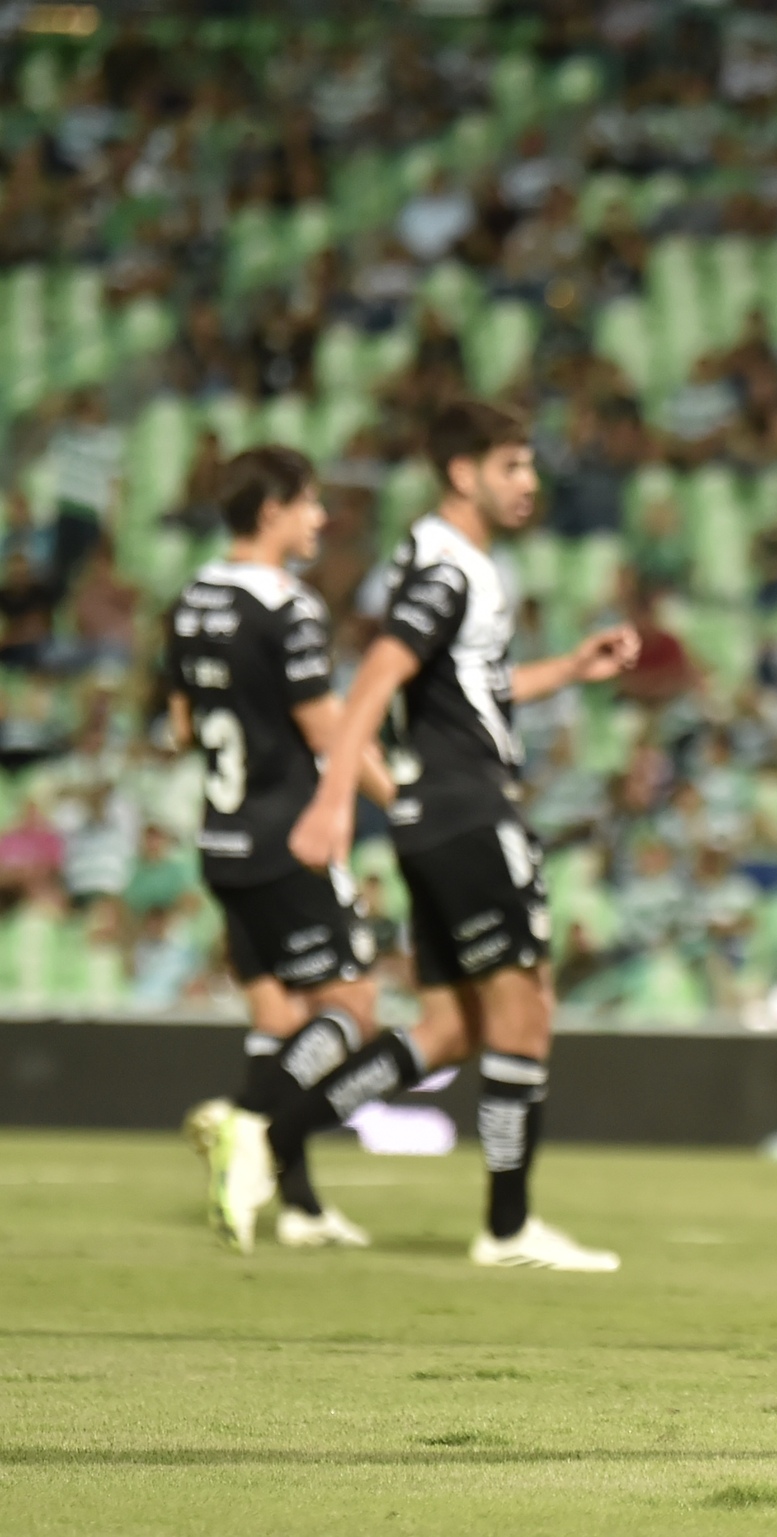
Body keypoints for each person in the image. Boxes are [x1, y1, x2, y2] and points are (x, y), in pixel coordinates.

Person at [210, 401, 640, 1272]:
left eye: (529, 464)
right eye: (511, 465)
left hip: (432, 815)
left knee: (447, 1029)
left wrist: (569, 668)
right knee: (525, 1008)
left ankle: (278, 1131)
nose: (528, 482)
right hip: (466, 808)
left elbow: (471, 686)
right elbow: (378, 672)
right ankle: (509, 1228)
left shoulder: (440, 558)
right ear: (462, 472)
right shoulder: (452, 568)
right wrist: (335, 798)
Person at [171, 446, 395, 1253]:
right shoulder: (288, 606)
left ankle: (297, 1206)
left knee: (277, 1018)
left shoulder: (193, 598)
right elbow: (328, 727)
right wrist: (400, 798)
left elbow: (180, 725)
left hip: (221, 838)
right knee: (351, 1008)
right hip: (287, 838)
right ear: (271, 511)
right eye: (309, 503)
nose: (320, 519)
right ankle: (247, 1118)